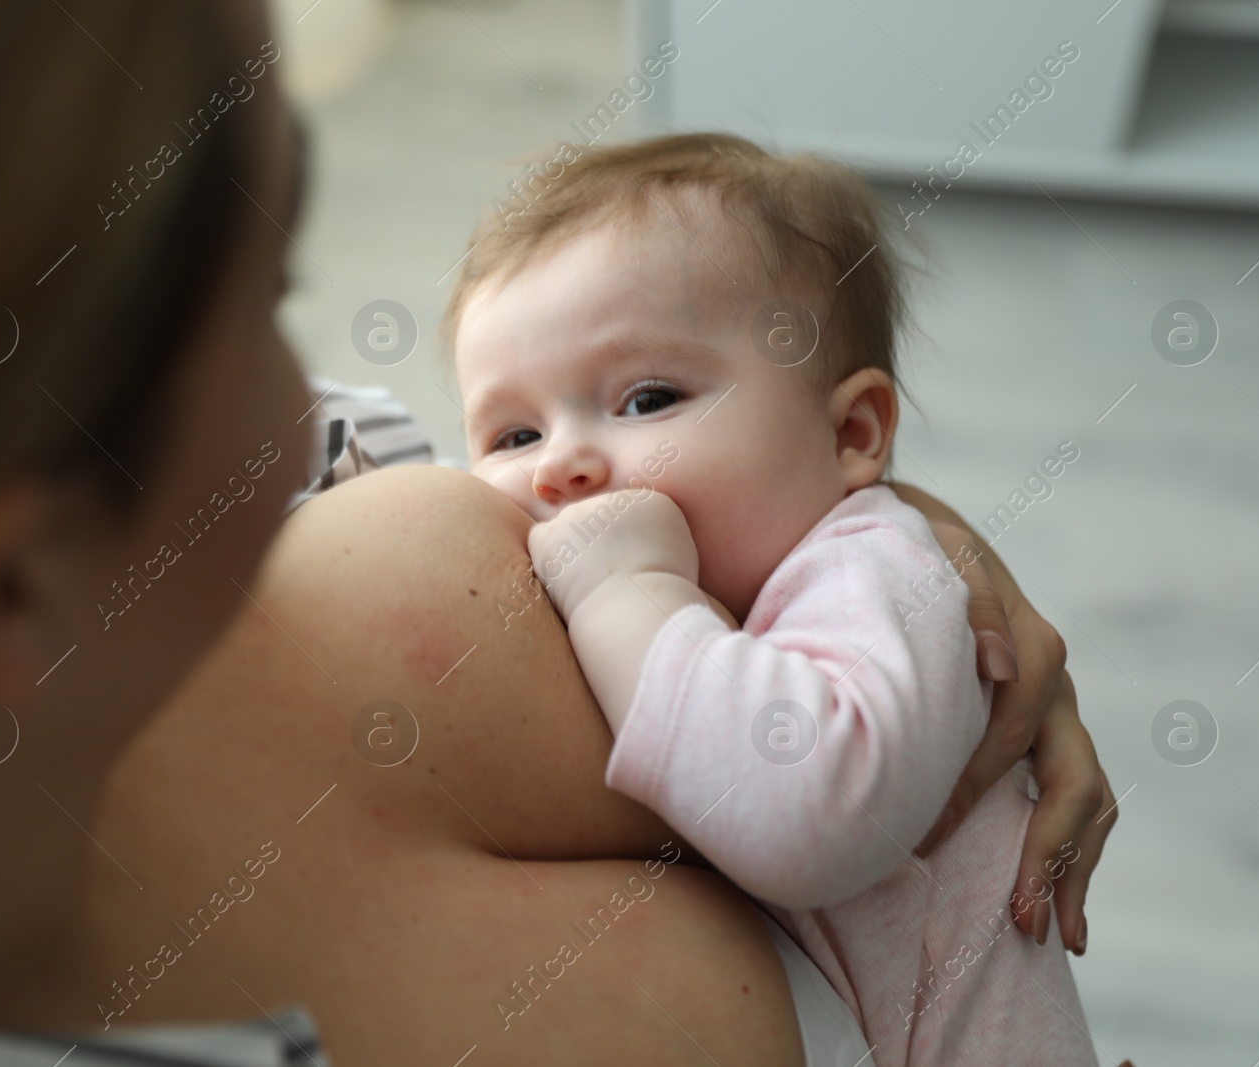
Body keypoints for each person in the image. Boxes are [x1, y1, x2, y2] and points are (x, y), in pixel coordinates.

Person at [0, 3, 1120, 1065]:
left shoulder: (294, 479)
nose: (327, 403)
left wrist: (898, 552)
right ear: (13, 580)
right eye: (267, 305)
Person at [451, 132, 1096, 1064]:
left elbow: (810, 812)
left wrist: (625, 593)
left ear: (852, 433)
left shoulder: (878, 575)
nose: (560, 466)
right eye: (513, 433)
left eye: (646, 399)